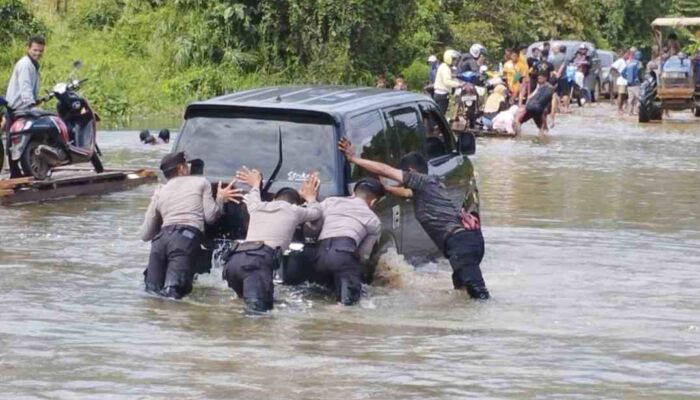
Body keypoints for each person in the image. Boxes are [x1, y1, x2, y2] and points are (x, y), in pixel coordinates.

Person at [338, 138, 490, 300]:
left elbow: (385, 169)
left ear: (411, 170)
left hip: (460, 244)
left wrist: (353, 159)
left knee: (479, 296)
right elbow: (404, 193)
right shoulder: (430, 186)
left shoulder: (422, 181)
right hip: (467, 241)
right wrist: (385, 187)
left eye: (403, 174)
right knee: (462, 293)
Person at [139, 151, 242, 299]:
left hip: (159, 242)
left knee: (151, 293)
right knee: (174, 295)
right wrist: (220, 199)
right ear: (181, 169)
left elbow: (145, 234)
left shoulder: (160, 191)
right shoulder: (201, 182)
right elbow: (211, 217)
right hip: (184, 240)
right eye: (187, 165)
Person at [223, 167, 322, 313]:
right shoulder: (294, 210)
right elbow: (317, 212)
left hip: (233, 262)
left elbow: (254, 195)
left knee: (253, 306)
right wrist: (311, 197)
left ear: (274, 198)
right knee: (256, 315)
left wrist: (256, 184)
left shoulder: (257, 206)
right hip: (257, 264)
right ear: (297, 204)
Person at [310, 177, 384, 305]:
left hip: (319, 256)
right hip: (344, 256)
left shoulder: (330, 201)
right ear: (373, 202)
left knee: (319, 298)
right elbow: (363, 254)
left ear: (352, 194)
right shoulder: (373, 220)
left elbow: (314, 224)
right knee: (347, 305)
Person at [5, 36, 45, 112]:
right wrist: (32, 106)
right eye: (35, 50)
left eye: (41, 51)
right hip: (18, 109)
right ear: (28, 48)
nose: (38, 53)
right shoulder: (25, 65)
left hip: (23, 107)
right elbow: (25, 87)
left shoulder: (32, 63)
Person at [515, 71, 555, 135]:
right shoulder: (552, 91)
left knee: (518, 122)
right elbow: (553, 108)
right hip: (537, 109)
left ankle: (517, 136)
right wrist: (552, 120)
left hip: (529, 107)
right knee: (542, 128)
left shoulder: (539, 88)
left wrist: (524, 108)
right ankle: (543, 141)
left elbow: (530, 97)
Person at [434, 49, 463, 116]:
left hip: (438, 94)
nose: (455, 61)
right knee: (441, 115)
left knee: (438, 114)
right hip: (442, 95)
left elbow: (446, 77)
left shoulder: (443, 66)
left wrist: (455, 76)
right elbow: (447, 81)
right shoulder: (446, 68)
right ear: (449, 59)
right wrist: (458, 85)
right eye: (454, 59)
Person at [622, 51, 642, 115]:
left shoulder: (629, 63)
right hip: (636, 84)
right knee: (640, 98)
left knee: (630, 99)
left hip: (629, 84)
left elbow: (622, 73)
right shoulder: (639, 63)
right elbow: (640, 73)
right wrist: (641, 81)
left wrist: (627, 79)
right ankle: (637, 111)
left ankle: (629, 112)